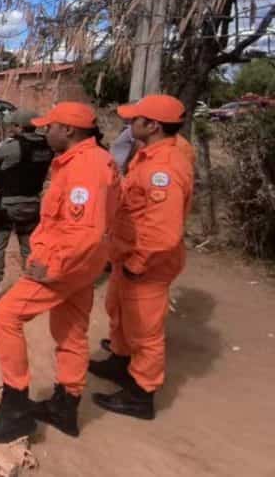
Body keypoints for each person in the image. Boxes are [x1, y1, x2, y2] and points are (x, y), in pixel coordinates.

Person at [0, 102, 120, 443]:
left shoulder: (86, 168)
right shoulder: (89, 160)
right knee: (71, 332)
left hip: (62, 267)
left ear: (68, 130)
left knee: (4, 316)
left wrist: (51, 267)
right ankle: (65, 405)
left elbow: (85, 230)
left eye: (51, 127)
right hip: (83, 267)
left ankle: (15, 407)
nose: (46, 132)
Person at [89, 95, 194, 420]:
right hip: (128, 254)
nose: (128, 124)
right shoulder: (150, 156)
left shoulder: (163, 169)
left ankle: (141, 393)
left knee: (145, 332)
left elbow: (163, 232)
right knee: (119, 310)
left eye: (135, 119)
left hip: (147, 263)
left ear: (153, 125)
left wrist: (137, 263)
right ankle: (120, 362)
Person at [0, 110, 54, 304]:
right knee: (30, 247)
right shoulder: (46, 146)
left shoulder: (13, 146)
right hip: (33, 202)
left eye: (13, 126)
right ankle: (35, 288)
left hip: (8, 203)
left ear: (18, 126)